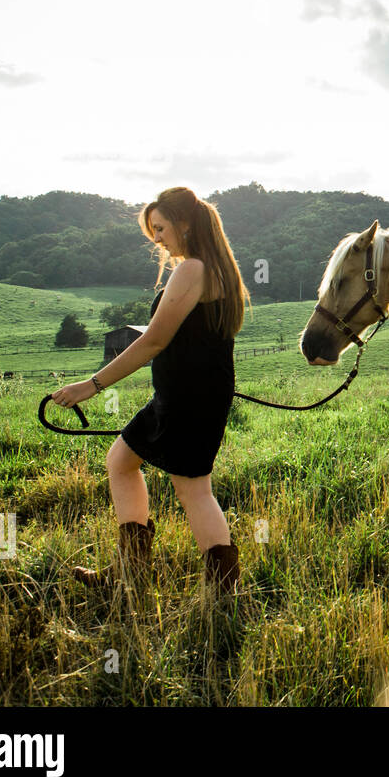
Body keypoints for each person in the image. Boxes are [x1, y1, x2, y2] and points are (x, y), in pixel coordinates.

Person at [49, 186, 251, 598]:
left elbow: (153, 341)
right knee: (122, 460)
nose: (156, 238)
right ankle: (131, 573)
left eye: (159, 228)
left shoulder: (191, 270)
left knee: (193, 489)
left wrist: (91, 386)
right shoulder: (217, 270)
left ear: (186, 224)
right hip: (184, 396)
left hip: (186, 400)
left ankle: (224, 595)